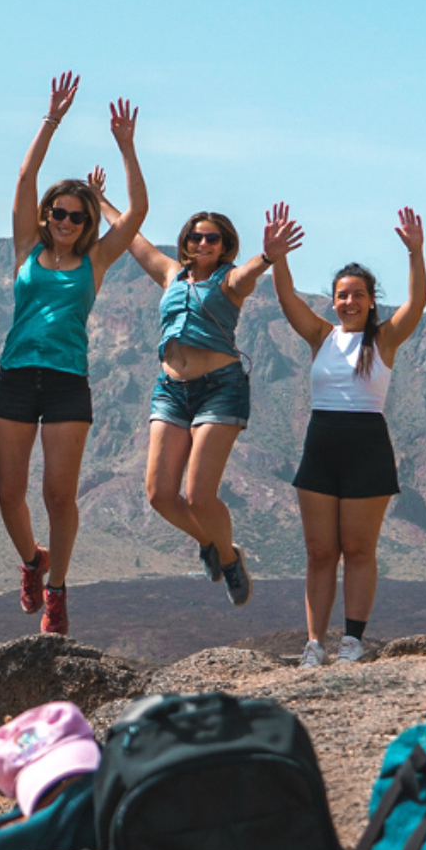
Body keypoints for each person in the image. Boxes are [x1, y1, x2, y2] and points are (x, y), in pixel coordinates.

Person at [0, 73, 147, 636]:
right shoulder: (25, 250)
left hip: (65, 383)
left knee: (59, 493)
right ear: (45, 216)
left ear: (87, 224)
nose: (64, 221)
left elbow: (137, 211)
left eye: (76, 216)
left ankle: (57, 594)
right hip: (14, 376)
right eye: (57, 212)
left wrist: (126, 147)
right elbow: (25, 177)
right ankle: (33, 562)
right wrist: (51, 119)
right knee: (9, 494)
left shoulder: (95, 262)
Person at [120, 184, 294, 609]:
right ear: (185, 241)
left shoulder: (229, 281)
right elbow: (131, 238)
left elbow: (249, 271)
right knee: (160, 495)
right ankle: (210, 543)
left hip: (220, 389)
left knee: (198, 494)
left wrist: (268, 256)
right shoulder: (170, 274)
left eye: (211, 238)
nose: (202, 242)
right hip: (170, 391)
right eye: (195, 236)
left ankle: (231, 557)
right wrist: (103, 202)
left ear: (224, 246)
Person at [270, 208, 426, 667]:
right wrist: (278, 258)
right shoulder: (321, 336)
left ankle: (353, 641)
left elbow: (416, 305)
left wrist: (416, 254)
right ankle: (314, 642)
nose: (349, 302)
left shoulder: (385, 340)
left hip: (367, 448)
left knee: (359, 549)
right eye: (341, 295)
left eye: (358, 295)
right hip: (321, 446)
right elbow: (285, 301)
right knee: (320, 551)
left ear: (371, 300)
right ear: (333, 301)